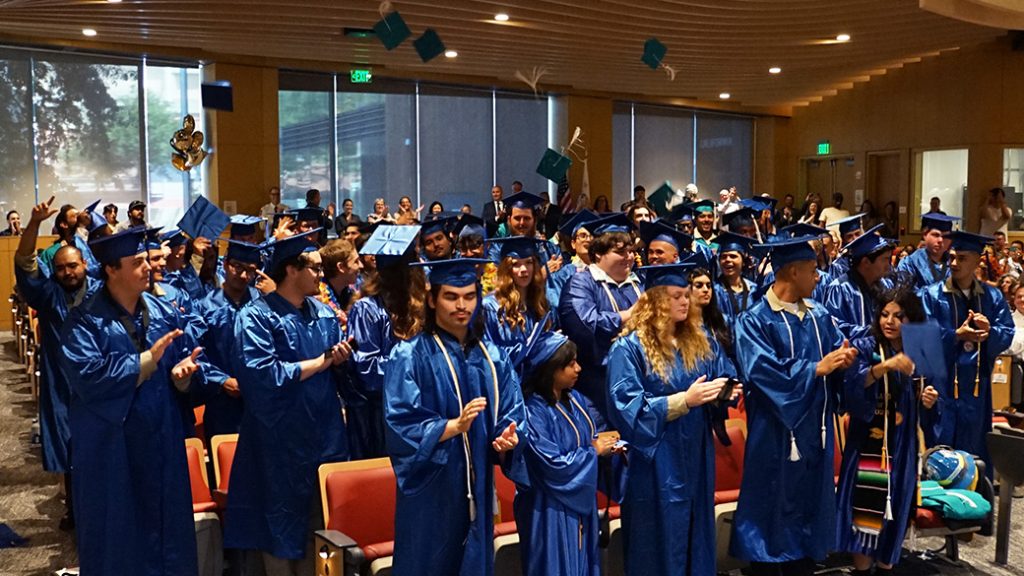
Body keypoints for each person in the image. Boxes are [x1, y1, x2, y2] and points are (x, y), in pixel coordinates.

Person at [60, 226, 205, 574]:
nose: (149, 267)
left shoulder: (162, 312)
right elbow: (89, 378)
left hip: (162, 442)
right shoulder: (84, 323)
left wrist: (184, 378)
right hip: (113, 451)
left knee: (169, 534)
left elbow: (184, 363)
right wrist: (146, 361)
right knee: (119, 540)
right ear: (111, 269)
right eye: (138, 261)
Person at [384, 257, 526, 576]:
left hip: (479, 484)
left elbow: (512, 411)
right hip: (432, 488)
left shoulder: (492, 357)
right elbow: (400, 423)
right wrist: (451, 426)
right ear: (433, 299)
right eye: (451, 296)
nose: (462, 305)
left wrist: (508, 438)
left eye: (470, 296)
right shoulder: (409, 355)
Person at [225, 230, 352, 574]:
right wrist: (323, 361)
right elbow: (263, 377)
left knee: (326, 530)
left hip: (325, 438)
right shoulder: (255, 317)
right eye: (312, 267)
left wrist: (343, 359)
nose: (320, 274)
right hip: (277, 441)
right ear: (291, 270)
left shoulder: (324, 315)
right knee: (278, 529)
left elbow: (340, 374)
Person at [730, 235, 857, 576]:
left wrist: (845, 361)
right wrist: (816, 368)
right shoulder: (754, 320)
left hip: (815, 431)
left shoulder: (819, 314)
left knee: (808, 506)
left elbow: (834, 355)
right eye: (813, 270)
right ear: (792, 271)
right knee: (771, 501)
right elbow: (759, 372)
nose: (819, 277)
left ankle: (804, 561)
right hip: (774, 433)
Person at [607, 261, 741, 576]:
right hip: (656, 464)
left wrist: (724, 391)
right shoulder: (628, 349)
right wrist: (683, 401)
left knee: (697, 534)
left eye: (686, 295)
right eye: (675, 296)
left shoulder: (698, 339)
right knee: (658, 541)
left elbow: (723, 372)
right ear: (655, 301)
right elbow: (626, 407)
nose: (685, 301)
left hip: (696, 456)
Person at [836, 286, 940, 575]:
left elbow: (927, 396)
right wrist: (883, 367)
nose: (889, 321)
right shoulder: (867, 347)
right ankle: (862, 570)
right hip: (869, 443)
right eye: (884, 314)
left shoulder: (918, 350)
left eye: (898, 315)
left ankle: (886, 568)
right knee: (864, 512)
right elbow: (852, 391)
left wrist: (928, 399)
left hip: (903, 445)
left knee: (897, 512)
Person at [14, 197, 101, 529]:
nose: (67, 272)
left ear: (84, 264)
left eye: (73, 266)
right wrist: (33, 224)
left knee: (100, 443)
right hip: (62, 381)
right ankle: (75, 510)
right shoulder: (48, 294)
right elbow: (25, 263)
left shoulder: (100, 294)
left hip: (97, 381)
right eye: (61, 267)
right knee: (70, 447)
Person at [919, 231, 1014, 476]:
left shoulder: (992, 296)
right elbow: (919, 340)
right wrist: (955, 335)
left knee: (975, 452)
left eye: (961, 258)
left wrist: (989, 333)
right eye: (951, 257)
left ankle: (974, 511)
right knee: (939, 454)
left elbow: (1007, 332)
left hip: (976, 388)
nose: (953, 263)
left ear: (976, 261)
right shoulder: (929, 295)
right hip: (941, 387)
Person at [515, 331, 608, 576]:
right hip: (547, 509)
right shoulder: (533, 411)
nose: (578, 368)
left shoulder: (574, 398)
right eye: (570, 364)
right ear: (550, 370)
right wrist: (593, 451)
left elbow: (587, 437)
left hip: (578, 503)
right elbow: (551, 464)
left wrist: (601, 444)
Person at [347, 225, 426, 459]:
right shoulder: (367, 310)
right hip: (384, 415)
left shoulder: (423, 307)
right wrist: (415, 373)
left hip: (421, 410)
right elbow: (368, 371)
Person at [558, 213, 642, 418]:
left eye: (631, 251)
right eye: (620, 252)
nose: (629, 257)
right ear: (598, 254)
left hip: (636, 382)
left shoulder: (637, 285)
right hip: (596, 387)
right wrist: (627, 316)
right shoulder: (581, 283)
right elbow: (585, 325)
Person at [193, 240, 263, 441]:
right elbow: (197, 352)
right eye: (237, 267)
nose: (243, 276)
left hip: (260, 400)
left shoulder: (264, 304)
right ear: (225, 264)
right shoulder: (204, 306)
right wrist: (222, 380)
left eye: (251, 270)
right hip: (222, 401)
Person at [824, 225, 897, 348]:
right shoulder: (840, 289)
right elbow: (834, 329)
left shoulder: (885, 284)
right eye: (884, 260)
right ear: (866, 262)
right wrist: (875, 332)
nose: (888, 266)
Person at [482, 237, 552, 364]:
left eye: (529, 262)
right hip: (508, 378)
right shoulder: (490, 306)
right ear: (507, 269)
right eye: (515, 264)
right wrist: (531, 350)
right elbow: (488, 353)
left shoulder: (539, 302)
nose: (524, 269)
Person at [896, 214, 958, 289]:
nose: (940, 240)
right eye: (936, 235)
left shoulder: (955, 263)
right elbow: (905, 296)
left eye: (945, 236)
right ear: (925, 235)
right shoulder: (909, 263)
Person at [713, 231, 757, 331]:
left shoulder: (754, 290)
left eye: (733, 256)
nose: (728, 260)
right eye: (723, 257)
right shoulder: (715, 291)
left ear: (743, 261)